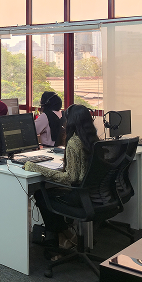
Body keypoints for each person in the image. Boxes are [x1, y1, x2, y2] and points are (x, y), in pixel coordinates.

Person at [25, 104, 99, 247]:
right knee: (47, 192)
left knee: (41, 195)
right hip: (93, 194)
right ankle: (62, 235)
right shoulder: (93, 140)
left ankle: (64, 235)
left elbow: (70, 178)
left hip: (78, 195)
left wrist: (36, 167)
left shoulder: (74, 143)